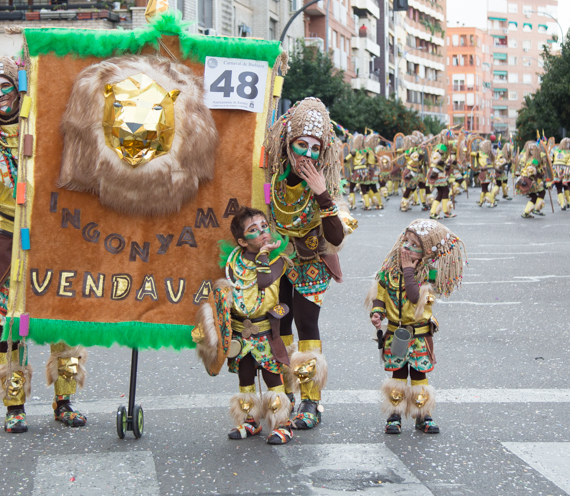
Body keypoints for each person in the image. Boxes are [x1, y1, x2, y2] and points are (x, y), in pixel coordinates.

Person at [0, 55, 89, 434]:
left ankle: (65, 401)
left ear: (18, 86)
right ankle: (15, 405)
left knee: (63, 319)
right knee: (10, 325)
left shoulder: (43, 126)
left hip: (53, 236)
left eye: (5, 86)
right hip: (10, 240)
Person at [263, 97, 349, 431]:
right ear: (288, 145)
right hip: (278, 260)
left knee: (306, 326)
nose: (308, 155)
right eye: (302, 145)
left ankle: (310, 399)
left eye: (316, 148)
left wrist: (322, 194)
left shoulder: (322, 182)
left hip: (311, 262)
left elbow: (337, 236)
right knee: (278, 325)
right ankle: (284, 395)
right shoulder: (270, 180)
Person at [198, 207, 294, 445]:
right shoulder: (234, 263)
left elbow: (263, 281)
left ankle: (282, 423)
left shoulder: (277, 260)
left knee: (273, 376)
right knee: (245, 376)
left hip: (265, 330)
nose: (262, 232)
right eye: (254, 230)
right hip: (241, 332)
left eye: (264, 226)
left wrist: (263, 254)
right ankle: (250, 420)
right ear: (242, 241)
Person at [368, 219, 465, 435]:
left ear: (425, 253)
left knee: (419, 374)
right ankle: (394, 414)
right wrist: (377, 312)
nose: (406, 247)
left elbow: (414, 297)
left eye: (414, 245)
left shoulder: (428, 275)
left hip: (419, 335)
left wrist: (408, 271)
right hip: (396, 333)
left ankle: (423, 415)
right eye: (406, 241)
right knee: (398, 374)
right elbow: (381, 293)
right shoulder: (389, 272)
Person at [517, 142, 549, 218]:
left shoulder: (528, 158)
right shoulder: (535, 160)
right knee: (542, 192)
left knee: (534, 196)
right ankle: (537, 209)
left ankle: (526, 212)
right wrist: (543, 169)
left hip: (522, 179)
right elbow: (534, 170)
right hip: (528, 179)